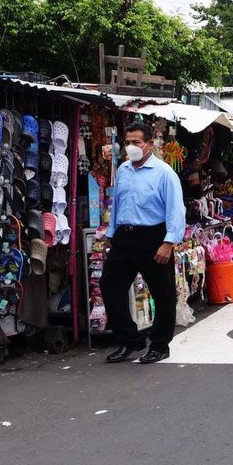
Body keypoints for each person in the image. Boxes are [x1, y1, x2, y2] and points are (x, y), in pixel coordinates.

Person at [102, 121, 187, 365]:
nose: (131, 147)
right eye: (127, 143)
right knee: (110, 285)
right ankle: (130, 340)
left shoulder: (164, 173)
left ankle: (160, 345)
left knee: (162, 292)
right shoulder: (123, 171)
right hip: (124, 236)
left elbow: (175, 210)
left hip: (154, 236)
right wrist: (111, 234)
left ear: (149, 144)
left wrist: (169, 242)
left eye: (136, 142)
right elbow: (117, 204)